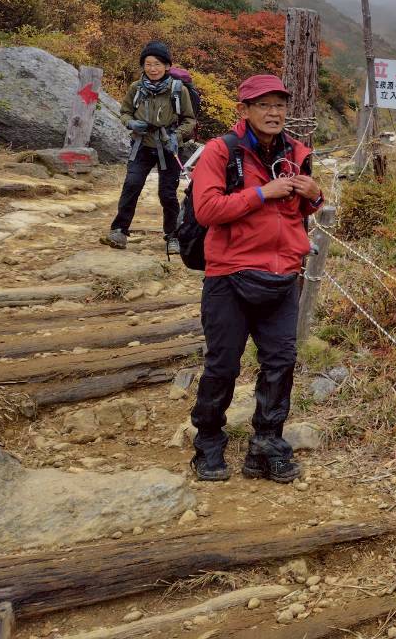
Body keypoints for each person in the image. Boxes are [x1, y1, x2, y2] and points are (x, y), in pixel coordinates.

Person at [189, 74, 324, 482]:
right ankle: (208, 444)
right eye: (264, 105)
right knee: (223, 365)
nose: (274, 113)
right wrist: (264, 192)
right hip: (229, 275)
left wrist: (314, 195)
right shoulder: (220, 151)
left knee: (281, 364)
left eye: (280, 105)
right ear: (243, 110)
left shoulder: (297, 152)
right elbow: (207, 210)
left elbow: (297, 212)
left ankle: (267, 446)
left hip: (282, 276)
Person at [106, 41, 196, 253]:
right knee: (131, 185)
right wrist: (131, 123)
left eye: (157, 64)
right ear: (143, 66)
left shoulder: (178, 90)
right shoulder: (136, 88)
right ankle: (119, 230)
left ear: (167, 66)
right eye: (148, 64)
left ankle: (172, 236)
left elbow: (189, 120)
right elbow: (125, 112)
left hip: (168, 146)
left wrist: (177, 136)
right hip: (142, 145)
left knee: (167, 193)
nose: (153, 69)